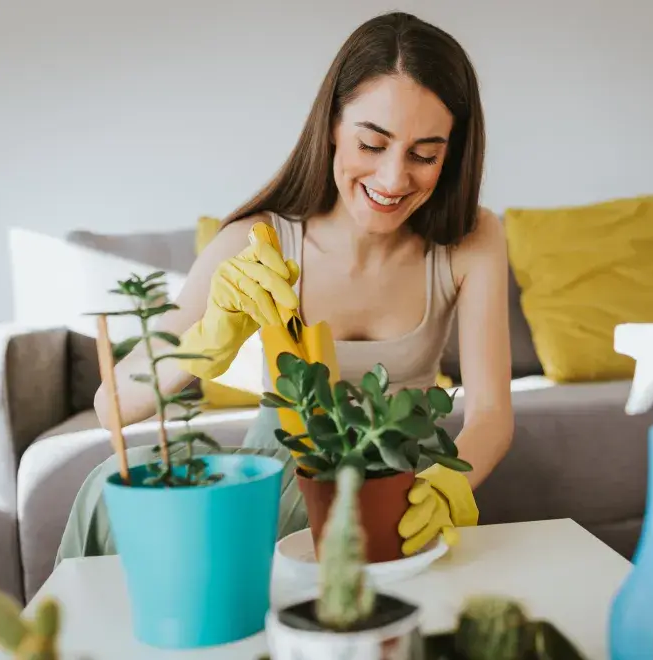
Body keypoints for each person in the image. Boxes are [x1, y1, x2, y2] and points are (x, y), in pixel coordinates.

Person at [56, 10, 513, 564]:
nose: (394, 180)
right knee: (112, 489)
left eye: (425, 155)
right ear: (331, 127)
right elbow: (113, 405)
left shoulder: (473, 239)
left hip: (394, 484)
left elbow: (490, 413)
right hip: (281, 479)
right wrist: (209, 338)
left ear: (453, 154)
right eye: (372, 144)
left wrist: (447, 484)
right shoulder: (257, 239)